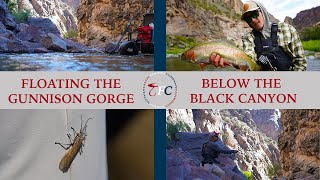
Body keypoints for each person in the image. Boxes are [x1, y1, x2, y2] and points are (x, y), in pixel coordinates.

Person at [210, 0, 307, 71]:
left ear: (263, 11)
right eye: (248, 19)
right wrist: (228, 59)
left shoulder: (288, 30)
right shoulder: (248, 38)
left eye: (255, 14)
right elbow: (248, 58)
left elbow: (300, 62)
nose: (252, 20)